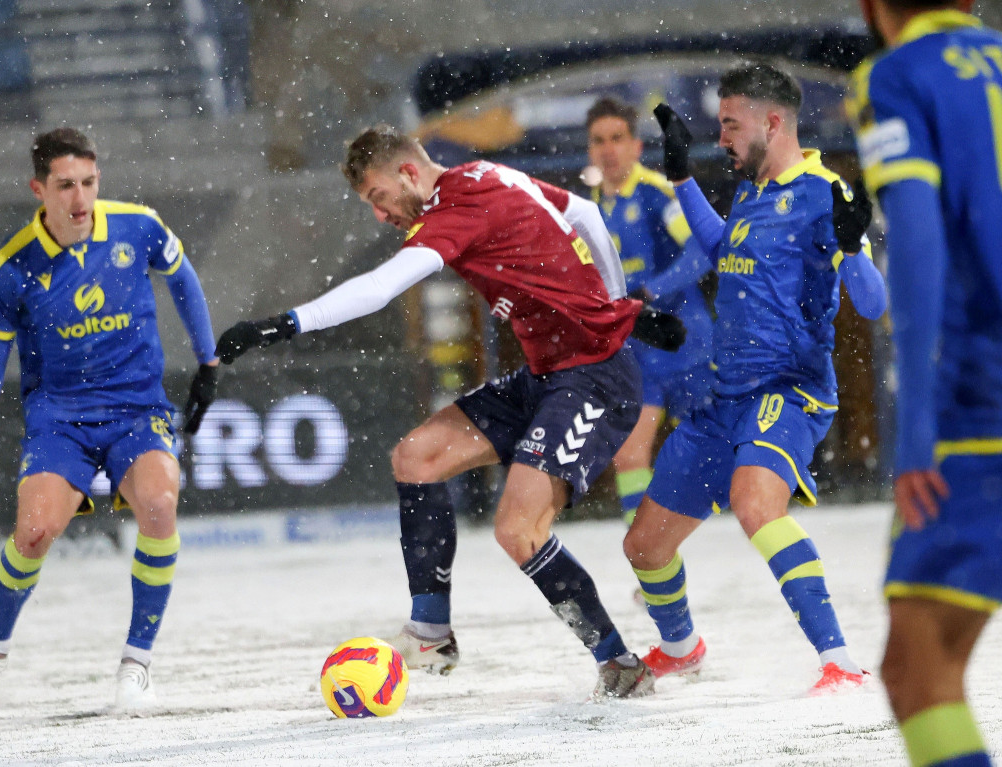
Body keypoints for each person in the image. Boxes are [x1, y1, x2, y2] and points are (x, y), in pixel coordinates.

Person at [215, 124, 688, 699]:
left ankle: (620, 664)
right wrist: (616, 305)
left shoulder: (457, 208)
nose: (380, 215)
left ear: (408, 173)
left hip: (593, 379)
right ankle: (431, 632)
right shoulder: (488, 173)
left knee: (517, 529)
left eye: (378, 198)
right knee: (416, 456)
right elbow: (585, 211)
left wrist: (280, 324)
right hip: (545, 377)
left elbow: (380, 287)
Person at [622, 63, 890, 695]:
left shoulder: (825, 191)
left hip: (789, 390)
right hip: (723, 393)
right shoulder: (750, 188)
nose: (724, 139)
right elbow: (723, 248)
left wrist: (853, 249)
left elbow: (873, 305)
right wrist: (683, 177)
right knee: (645, 548)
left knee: (754, 503)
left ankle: (840, 662)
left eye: (731, 125)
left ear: (773, 122)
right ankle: (682, 648)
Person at [0, 127, 220, 715]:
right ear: (38, 188)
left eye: (89, 183)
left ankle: (136, 664)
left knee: (159, 504)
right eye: (65, 186)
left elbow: (184, 280)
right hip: (60, 419)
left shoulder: (138, 226)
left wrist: (208, 361)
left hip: (137, 410)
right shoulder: (11, 268)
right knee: (35, 533)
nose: (80, 200)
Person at [849, 1, 1002, 764]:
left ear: (873, 8)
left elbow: (916, 249)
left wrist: (916, 432)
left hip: (983, 402)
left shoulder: (897, 75)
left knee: (920, 670)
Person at [585, 96, 716, 525]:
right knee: (628, 457)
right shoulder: (588, 210)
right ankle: (650, 564)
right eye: (599, 140)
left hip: (685, 345)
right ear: (590, 150)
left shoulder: (658, 193)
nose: (609, 149)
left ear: (636, 146)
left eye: (617, 138)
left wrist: (651, 291)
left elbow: (702, 253)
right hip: (636, 354)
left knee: (720, 462)